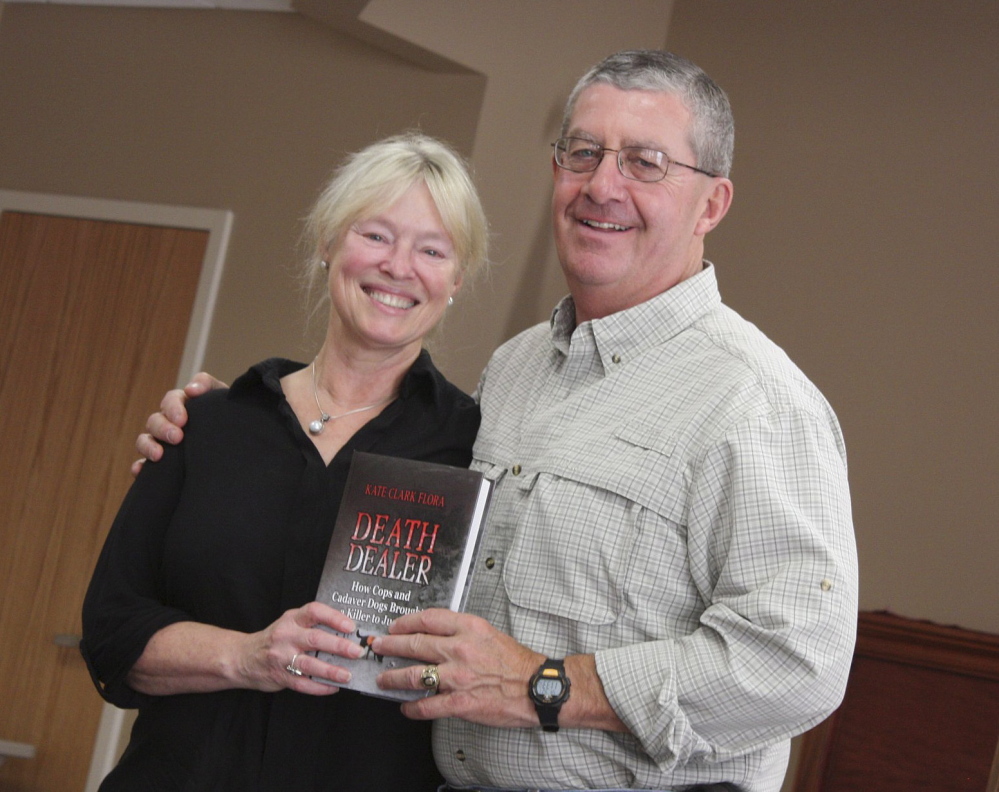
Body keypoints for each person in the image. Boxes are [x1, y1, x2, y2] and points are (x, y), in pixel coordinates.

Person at [138, 51, 858, 792]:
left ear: (710, 205)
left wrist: (543, 685)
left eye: (645, 163)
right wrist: (241, 432)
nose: (601, 186)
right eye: (582, 152)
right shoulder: (514, 371)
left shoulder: (755, 401)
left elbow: (797, 663)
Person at [81, 131, 489, 791]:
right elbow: (110, 634)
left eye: (431, 249)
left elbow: (482, 665)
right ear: (327, 245)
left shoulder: (477, 451)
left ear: (455, 279)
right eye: (376, 235)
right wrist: (245, 657)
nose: (399, 266)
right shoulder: (208, 426)